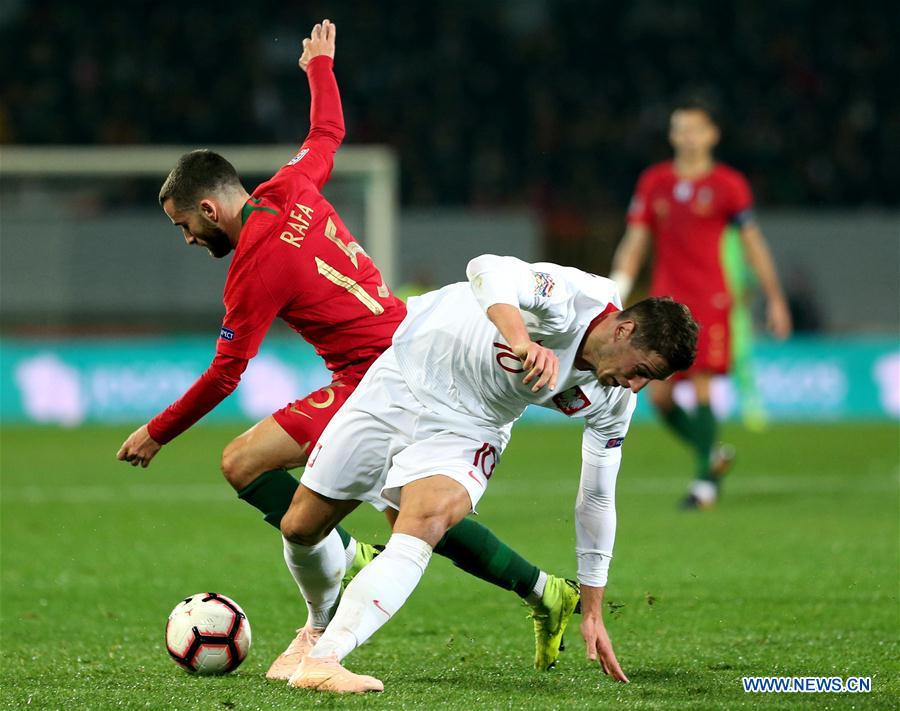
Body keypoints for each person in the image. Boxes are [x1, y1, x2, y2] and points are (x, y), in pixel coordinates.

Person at [115, 20, 580, 679]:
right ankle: (543, 590)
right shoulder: (290, 186)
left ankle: (332, 579)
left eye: (184, 225)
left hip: (378, 373)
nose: (186, 238)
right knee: (413, 513)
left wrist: (158, 431)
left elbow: (226, 373)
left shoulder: (252, 266)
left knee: (246, 463)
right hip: (407, 348)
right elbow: (326, 135)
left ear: (211, 210)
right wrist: (321, 69)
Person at [278, 254, 699, 693]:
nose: (634, 386)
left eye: (648, 381)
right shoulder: (576, 298)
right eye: (641, 371)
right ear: (624, 330)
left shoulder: (613, 401)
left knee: (426, 519)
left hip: (474, 423)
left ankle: (325, 661)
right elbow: (484, 268)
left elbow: (596, 497)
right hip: (406, 373)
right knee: (301, 528)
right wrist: (520, 340)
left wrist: (592, 610)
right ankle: (314, 632)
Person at [610, 100, 792, 509]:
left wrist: (776, 298)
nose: (687, 136)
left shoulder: (729, 185)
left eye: (695, 129)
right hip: (665, 305)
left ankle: (704, 485)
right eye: (679, 129)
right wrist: (616, 285)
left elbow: (753, 244)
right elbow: (635, 239)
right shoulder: (654, 181)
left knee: (704, 386)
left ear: (712, 135)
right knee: (658, 396)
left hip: (711, 301)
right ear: (672, 136)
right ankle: (711, 454)